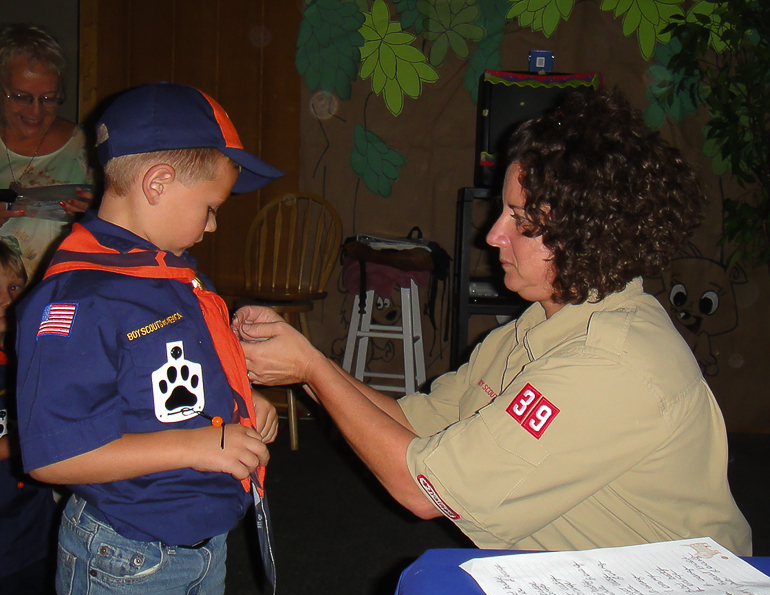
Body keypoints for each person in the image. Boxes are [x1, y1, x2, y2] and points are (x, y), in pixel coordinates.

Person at [234, 88, 752, 556]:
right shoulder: (532, 330)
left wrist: (311, 370)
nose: (493, 234)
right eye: (502, 210)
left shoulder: (613, 363)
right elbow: (415, 426)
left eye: (521, 221)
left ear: (588, 236)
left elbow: (421, 489)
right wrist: (310, 362)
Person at [15, 82, 283, 595]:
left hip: (202, 543)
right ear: (158, 183)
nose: (212, 223)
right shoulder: (78, 298)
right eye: (210, 206)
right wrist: (197, 447)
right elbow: (54, 453)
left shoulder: (166, 273)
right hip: (127, 556)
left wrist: (238, 403)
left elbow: (167, 379)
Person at [0, 23, 93, 281]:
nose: (36, 111)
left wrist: (95, 221)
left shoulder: (87, 149)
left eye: (49, 98)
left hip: (62, 305)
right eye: (21, 96)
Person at [0, 237, 57, 595]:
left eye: (14, 287)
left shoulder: (27, 351)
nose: (7, 300)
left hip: (33, 522)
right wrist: (31, 442)